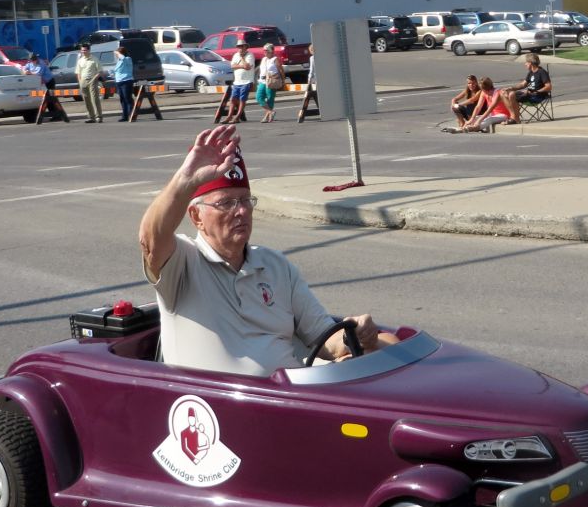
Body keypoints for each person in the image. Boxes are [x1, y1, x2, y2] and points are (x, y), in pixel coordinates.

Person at [138, 125, 398, 376]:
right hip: (223, 400)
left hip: (291, 390)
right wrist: (184, 181)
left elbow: (325, 338)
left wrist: (356, 334)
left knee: (389, 347)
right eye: (226, 203)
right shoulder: (183, 263)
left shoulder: (275, 266)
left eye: (245, 200)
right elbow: (151, 239)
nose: (241, 211)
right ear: (196, 216)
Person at [500, 53, 551, 124]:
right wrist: (511, 88)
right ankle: (513, 117)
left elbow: (548, 87)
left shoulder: (542, 72)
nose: (525, 64)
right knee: (503, 93)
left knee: (512, 94)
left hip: (537, 96)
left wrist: (536, 91)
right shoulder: (531, 73)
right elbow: (523, 84)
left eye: (526, 62)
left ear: (530, 63)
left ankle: (515, 119)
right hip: (529, 94)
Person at [23, 52, 62, 120]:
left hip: (49, 82)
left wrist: (29, 73)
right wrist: (25, 71)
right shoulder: (29, 63)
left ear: (36, 58)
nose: (33, 61)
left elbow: (38, 74)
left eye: (34, 59)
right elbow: (24, 68)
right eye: (32, 59)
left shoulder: (41, 63)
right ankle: (54, 115)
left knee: (52, 98)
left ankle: (58, 115)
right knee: (47, 99)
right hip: (42, 83)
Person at [224, 40, 254, 124]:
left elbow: (247, 67)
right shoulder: (235, 55)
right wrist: (241, 66)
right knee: (233, 99)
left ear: (245, 47)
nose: (240, 48)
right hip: (237, 82)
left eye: (241, 46)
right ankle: (229, 116)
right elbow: (232, 66)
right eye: (238, 46)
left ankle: (237, 117)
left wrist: (242, 58)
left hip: (246, 81)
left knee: (242, 99)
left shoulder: (250, 55)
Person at [255, 43, 284, 123]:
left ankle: (267, 117)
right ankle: (270, 111)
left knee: (270, 98)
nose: (265, 52)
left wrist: (283, 81)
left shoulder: (275, 59)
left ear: (271, 51)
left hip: (271, 80)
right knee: (259, 97)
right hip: (262, 81)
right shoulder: (263, 59)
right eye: (264, 50)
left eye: (266, 50)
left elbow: (281, 70)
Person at [75, 43, 103, 123]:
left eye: (85, 50)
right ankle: (91, 117)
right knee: (86, 100)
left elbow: (100, 71)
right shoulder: (80, 60)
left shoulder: (94, 59)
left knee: (94, 99)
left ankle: (98, 117)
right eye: (82, 50)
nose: (83, 52)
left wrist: (94, 79)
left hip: (92, 80)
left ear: (89, 50)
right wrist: (80, 82)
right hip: (83, 81)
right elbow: (78, 72)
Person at [297, 43, 319, 123]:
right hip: (322, 79)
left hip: (315, 80)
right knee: (317, 95)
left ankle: (321, 110)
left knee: (311, 93)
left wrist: (309, 80)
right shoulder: (321, 57)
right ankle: (322, 109)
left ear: (312, 50)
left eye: (310, 50)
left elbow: (311, 70)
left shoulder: (312, 58)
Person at [113, 46, 135, 122]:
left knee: (127, 98)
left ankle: (131, 115)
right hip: (119, 82)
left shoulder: (127, 59)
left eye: (118, 54)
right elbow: (118, 70)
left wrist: (117, 53)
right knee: (122, 99)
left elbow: (123, 58)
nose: (116, 55)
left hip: (126, 81)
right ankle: (124, 116)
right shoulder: (119, 61)